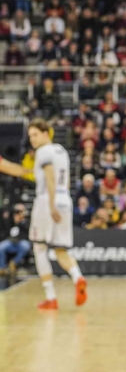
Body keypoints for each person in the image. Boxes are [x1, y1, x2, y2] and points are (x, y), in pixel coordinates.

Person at [5, 120, 87, 309]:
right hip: (65, 199)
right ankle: (78, 278)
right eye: (31, 136)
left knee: (39, 247)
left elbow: (49, 175)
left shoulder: (43, 152)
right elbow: (31, 173)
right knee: (60, 250)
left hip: (46, 201)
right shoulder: (61, 151)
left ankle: (51, 297)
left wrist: (50, 205)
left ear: (46, 133)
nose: (32, 139)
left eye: (35, 135)